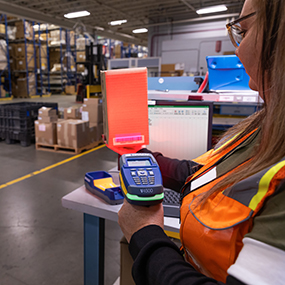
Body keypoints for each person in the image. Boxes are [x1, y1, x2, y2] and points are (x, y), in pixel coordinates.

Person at [118, 0, 285, 284]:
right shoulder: (266, 125)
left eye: (243, 31)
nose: (237, 50)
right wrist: (149, 160)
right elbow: (209, 174)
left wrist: (145, 235)